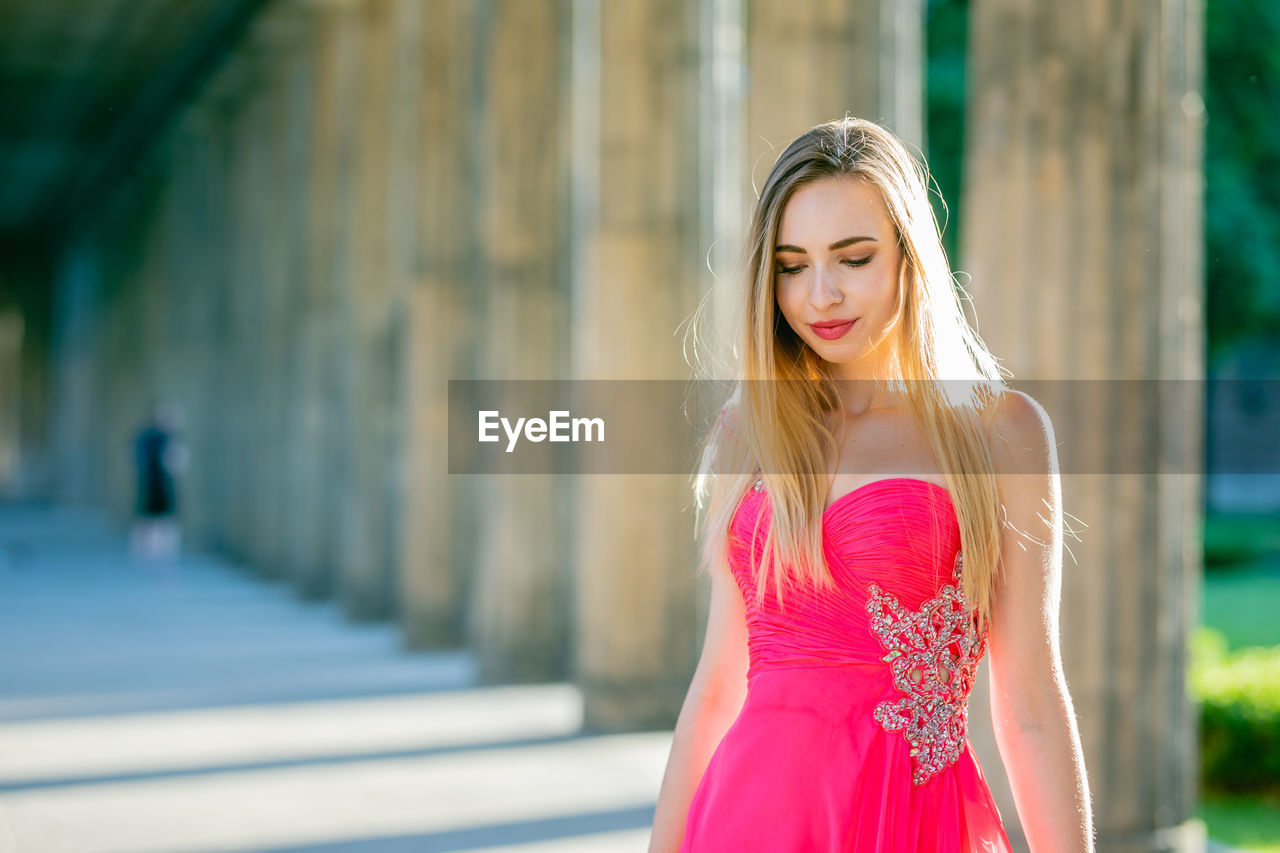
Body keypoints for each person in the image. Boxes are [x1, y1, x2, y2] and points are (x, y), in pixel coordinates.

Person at [648, 117, 1094, 851]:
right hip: (747, 817)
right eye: (792, 266)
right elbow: (718, 685)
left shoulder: (998, 431)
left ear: (908, 256)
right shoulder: (748, 430)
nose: (819, 294)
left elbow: (1031, 702)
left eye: (852, 258)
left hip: (908, 817)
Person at [131, 398, 189, 564]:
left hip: (151, 482)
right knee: (160, 518)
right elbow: (177, 462)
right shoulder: (166, 438)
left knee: (153, 517)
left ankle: (151, 555)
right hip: (158, 482)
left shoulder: (145, 436)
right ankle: (158, 555)